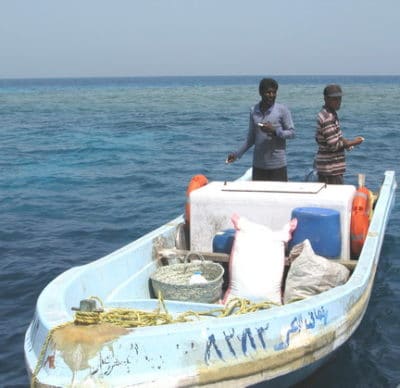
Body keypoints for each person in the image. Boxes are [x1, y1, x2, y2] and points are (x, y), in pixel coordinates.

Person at [226, 78, 295, 181]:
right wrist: (237, 154)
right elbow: (251, 139)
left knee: (277, 197)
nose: (271, 95)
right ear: (260, 92)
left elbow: (292, 133)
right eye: (268, 92)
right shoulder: (254, 111)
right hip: (259, 166)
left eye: (274, 92)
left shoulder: (282, 110)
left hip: (278, 166)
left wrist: (275, 131)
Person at [315, 84, 364, 184]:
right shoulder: (328, 118)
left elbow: (334, 137)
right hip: (330, 169)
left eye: (339, 99)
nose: (338, 102)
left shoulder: (329, 114)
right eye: (335, 99)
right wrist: (354, 142)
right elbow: (333, 145)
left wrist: (345, 141)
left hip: (329, 168)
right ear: (325, 99)